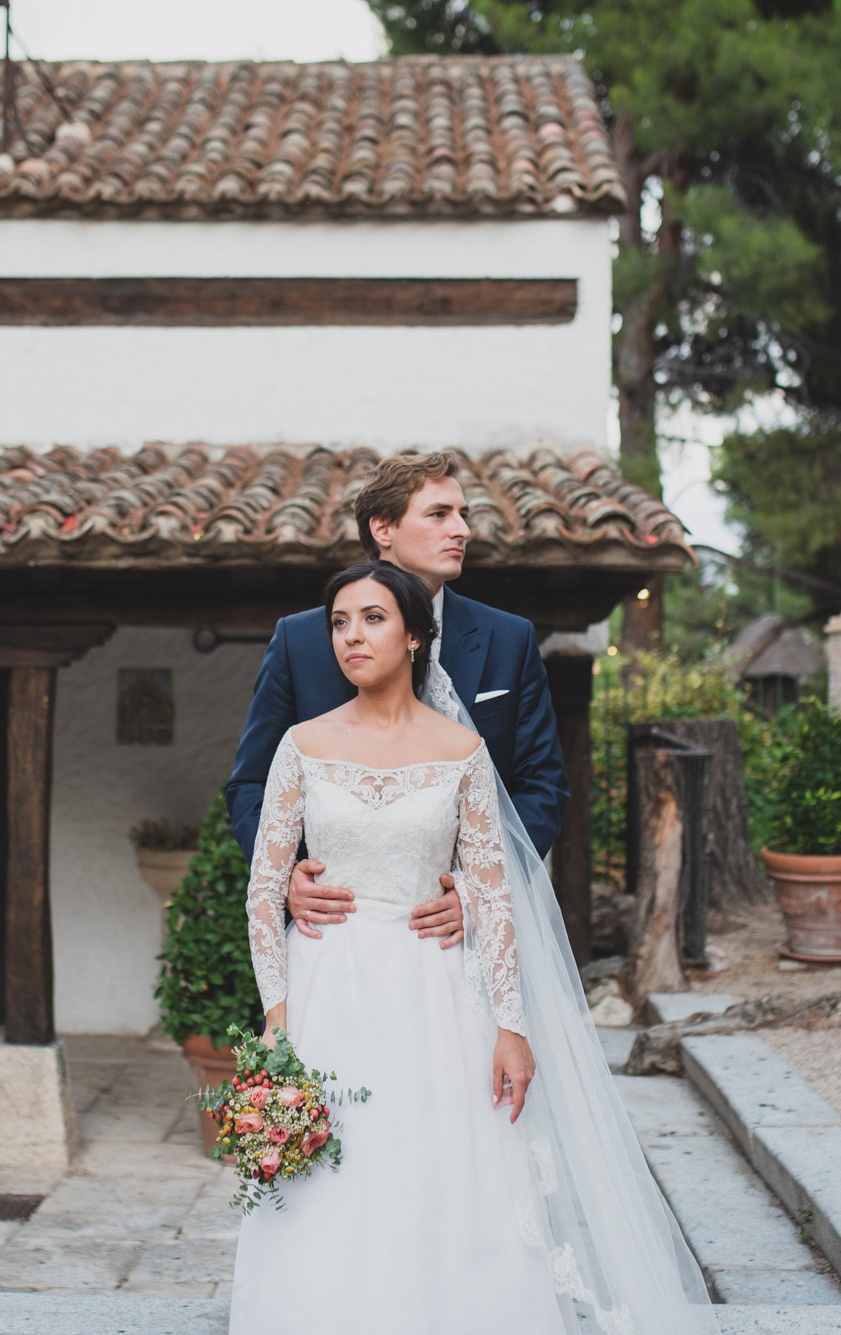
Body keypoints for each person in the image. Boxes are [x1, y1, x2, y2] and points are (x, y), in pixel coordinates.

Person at [227, 561, 715, 1335]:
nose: (353, 635)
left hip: (434, 992)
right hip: (328, 988)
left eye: (374, 619)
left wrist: (512, 1027)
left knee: (440, 1172)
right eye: (341, 622)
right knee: (330, 1178)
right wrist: (277, 1018)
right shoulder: (302, 744)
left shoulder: (461, 751)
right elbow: (263, 891)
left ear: (415, 636)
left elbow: (491, 896)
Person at [225, 451, 570, 951]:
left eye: (463, 514)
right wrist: (287, 874)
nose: (463, 530)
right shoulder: (301, 640)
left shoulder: (509, 638)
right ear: (382, 529)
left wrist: (482, 889)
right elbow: (251, 783)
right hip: (337, 930)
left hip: (469, 931)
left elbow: (543, 786)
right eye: (439, 514)